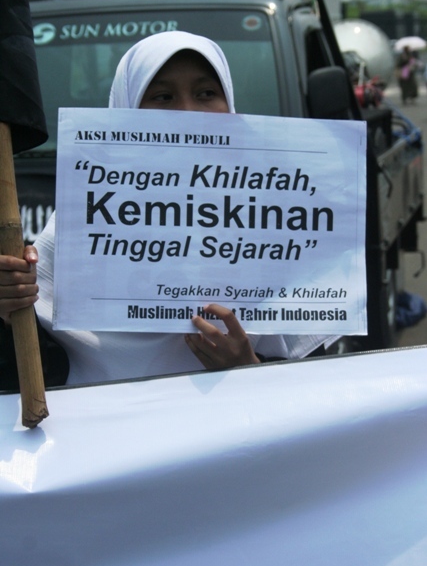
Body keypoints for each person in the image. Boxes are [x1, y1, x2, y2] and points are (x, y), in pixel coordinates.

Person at [0, 31, 334, 389]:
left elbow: (316, 387)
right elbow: (30, 375)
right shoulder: (80, 224)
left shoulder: (282, 220)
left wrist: (248, 367)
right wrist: (9, 308)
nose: (187, 113)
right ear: (127, 110)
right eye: (163, 97)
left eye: (206, 93)